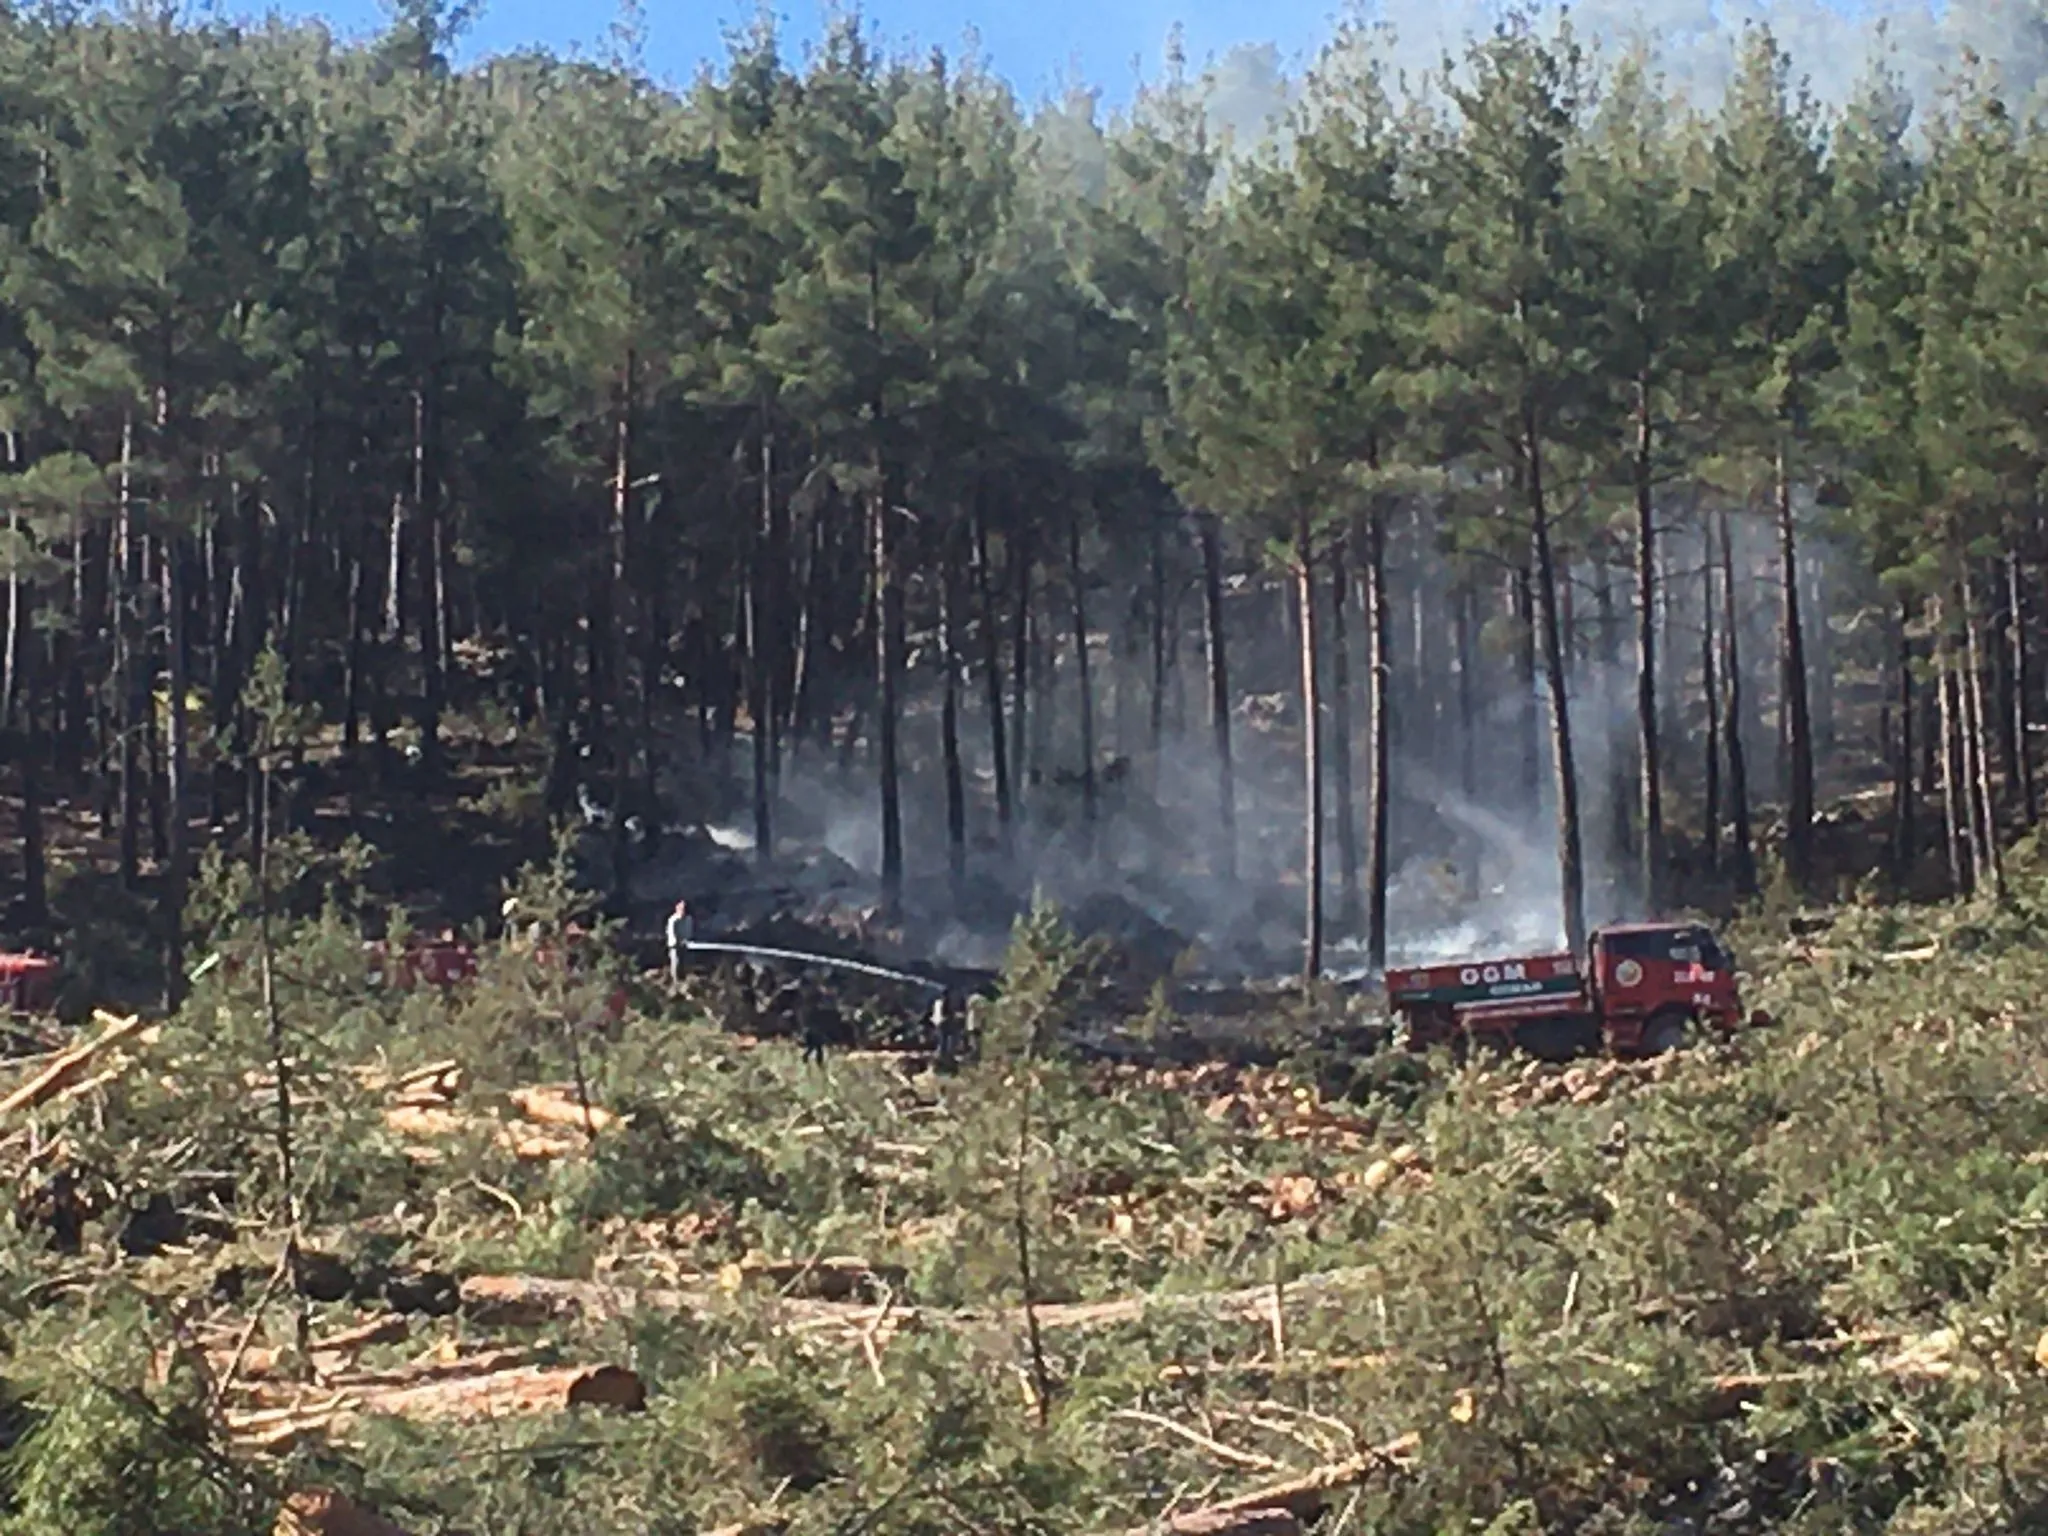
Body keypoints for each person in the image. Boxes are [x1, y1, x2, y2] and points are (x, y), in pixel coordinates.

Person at [666, 899, 694, 985]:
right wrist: (677, 942)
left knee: (685, 964)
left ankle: (685, 982)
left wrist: (686, 940)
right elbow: (672, 933)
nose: (683, 910)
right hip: (674, 946)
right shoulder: (673, 920)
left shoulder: (689, 919)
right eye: (681, 908)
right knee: (676, 963)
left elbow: (689, 932)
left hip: (685, 945)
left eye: (684, 908)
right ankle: (675, 982)